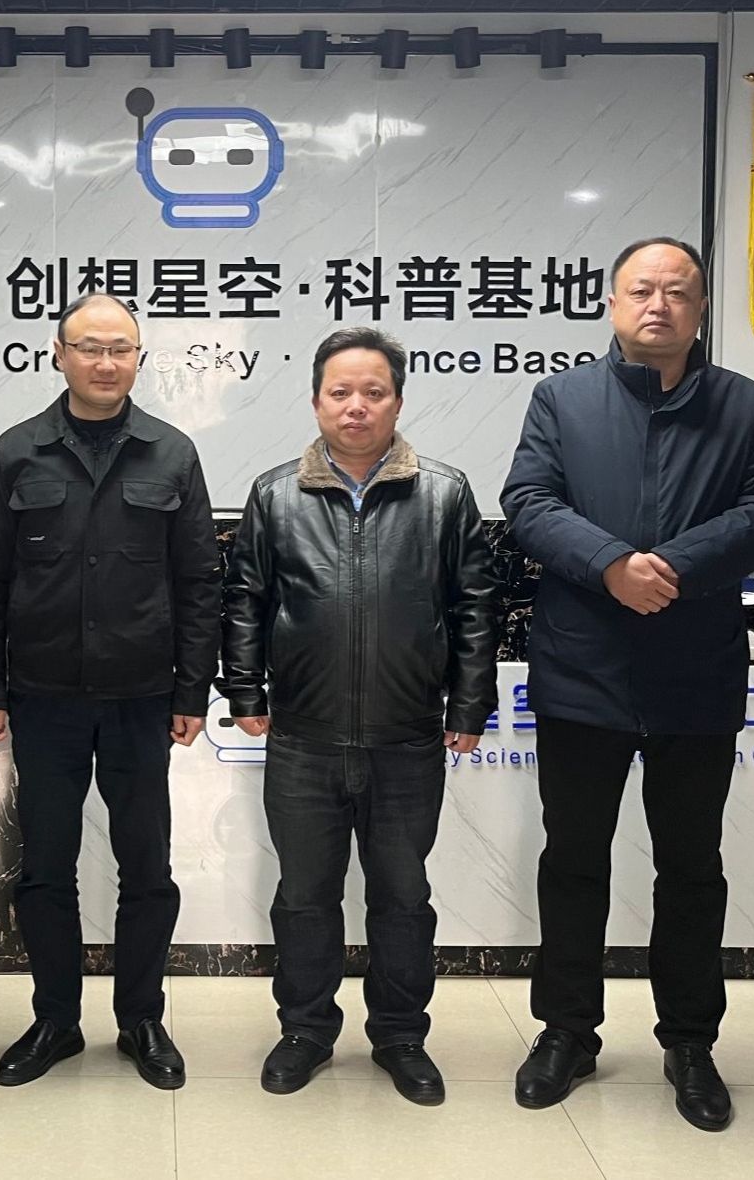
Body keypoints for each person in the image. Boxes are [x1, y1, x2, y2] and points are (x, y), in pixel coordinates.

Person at [499, 236, 754, 1132]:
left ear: (700, 308)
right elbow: (529, 501)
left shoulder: (743, 405)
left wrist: (670, 567)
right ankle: (566, 1031)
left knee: (692, 867)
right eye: (641, 290)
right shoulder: (562, 399)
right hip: (582, 668)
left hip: (694, 671)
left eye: (677, 291)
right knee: (573, 860)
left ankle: (690, 1041)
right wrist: (611, 565)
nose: (658, 304)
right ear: (612, 303)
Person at [222, 326, 498, 1107]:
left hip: (407, 739)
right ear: (316, 402)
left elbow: (475, 606)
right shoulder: (277, 494)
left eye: (373, 392)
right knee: (304, 896)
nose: (356, 406)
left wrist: (468, 702)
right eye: (340, 392)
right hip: (303, 740)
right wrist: (245, 693)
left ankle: (401, 1036)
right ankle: (305, 1031)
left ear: (398, 401)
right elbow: (245, 599)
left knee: (403, 898)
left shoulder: (443, 494)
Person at [0, 293, 219, 1091]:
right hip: (43, 697)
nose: (105, 362)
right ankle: (55, 1020)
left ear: (139, 357)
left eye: (120, 349)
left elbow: (199, 582)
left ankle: (142, 1019)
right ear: (59, 354)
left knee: (147, 868)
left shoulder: (172, 453)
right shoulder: (18, 451)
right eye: (89, 347)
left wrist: (191, 690)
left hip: (142, 698)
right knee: (45, 868)